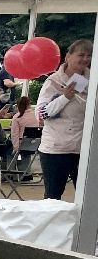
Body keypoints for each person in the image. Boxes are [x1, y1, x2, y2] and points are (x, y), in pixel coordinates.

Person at [37, 38, 91, 200]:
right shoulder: (53, 81)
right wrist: (65, 98)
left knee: (87, 197)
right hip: (55, 150)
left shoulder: (92, 80)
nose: (85, 59)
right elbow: (42, 114)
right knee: (53, 196)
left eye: (89, 56)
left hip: (83, 149)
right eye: (81, 55)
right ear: (68, 56)